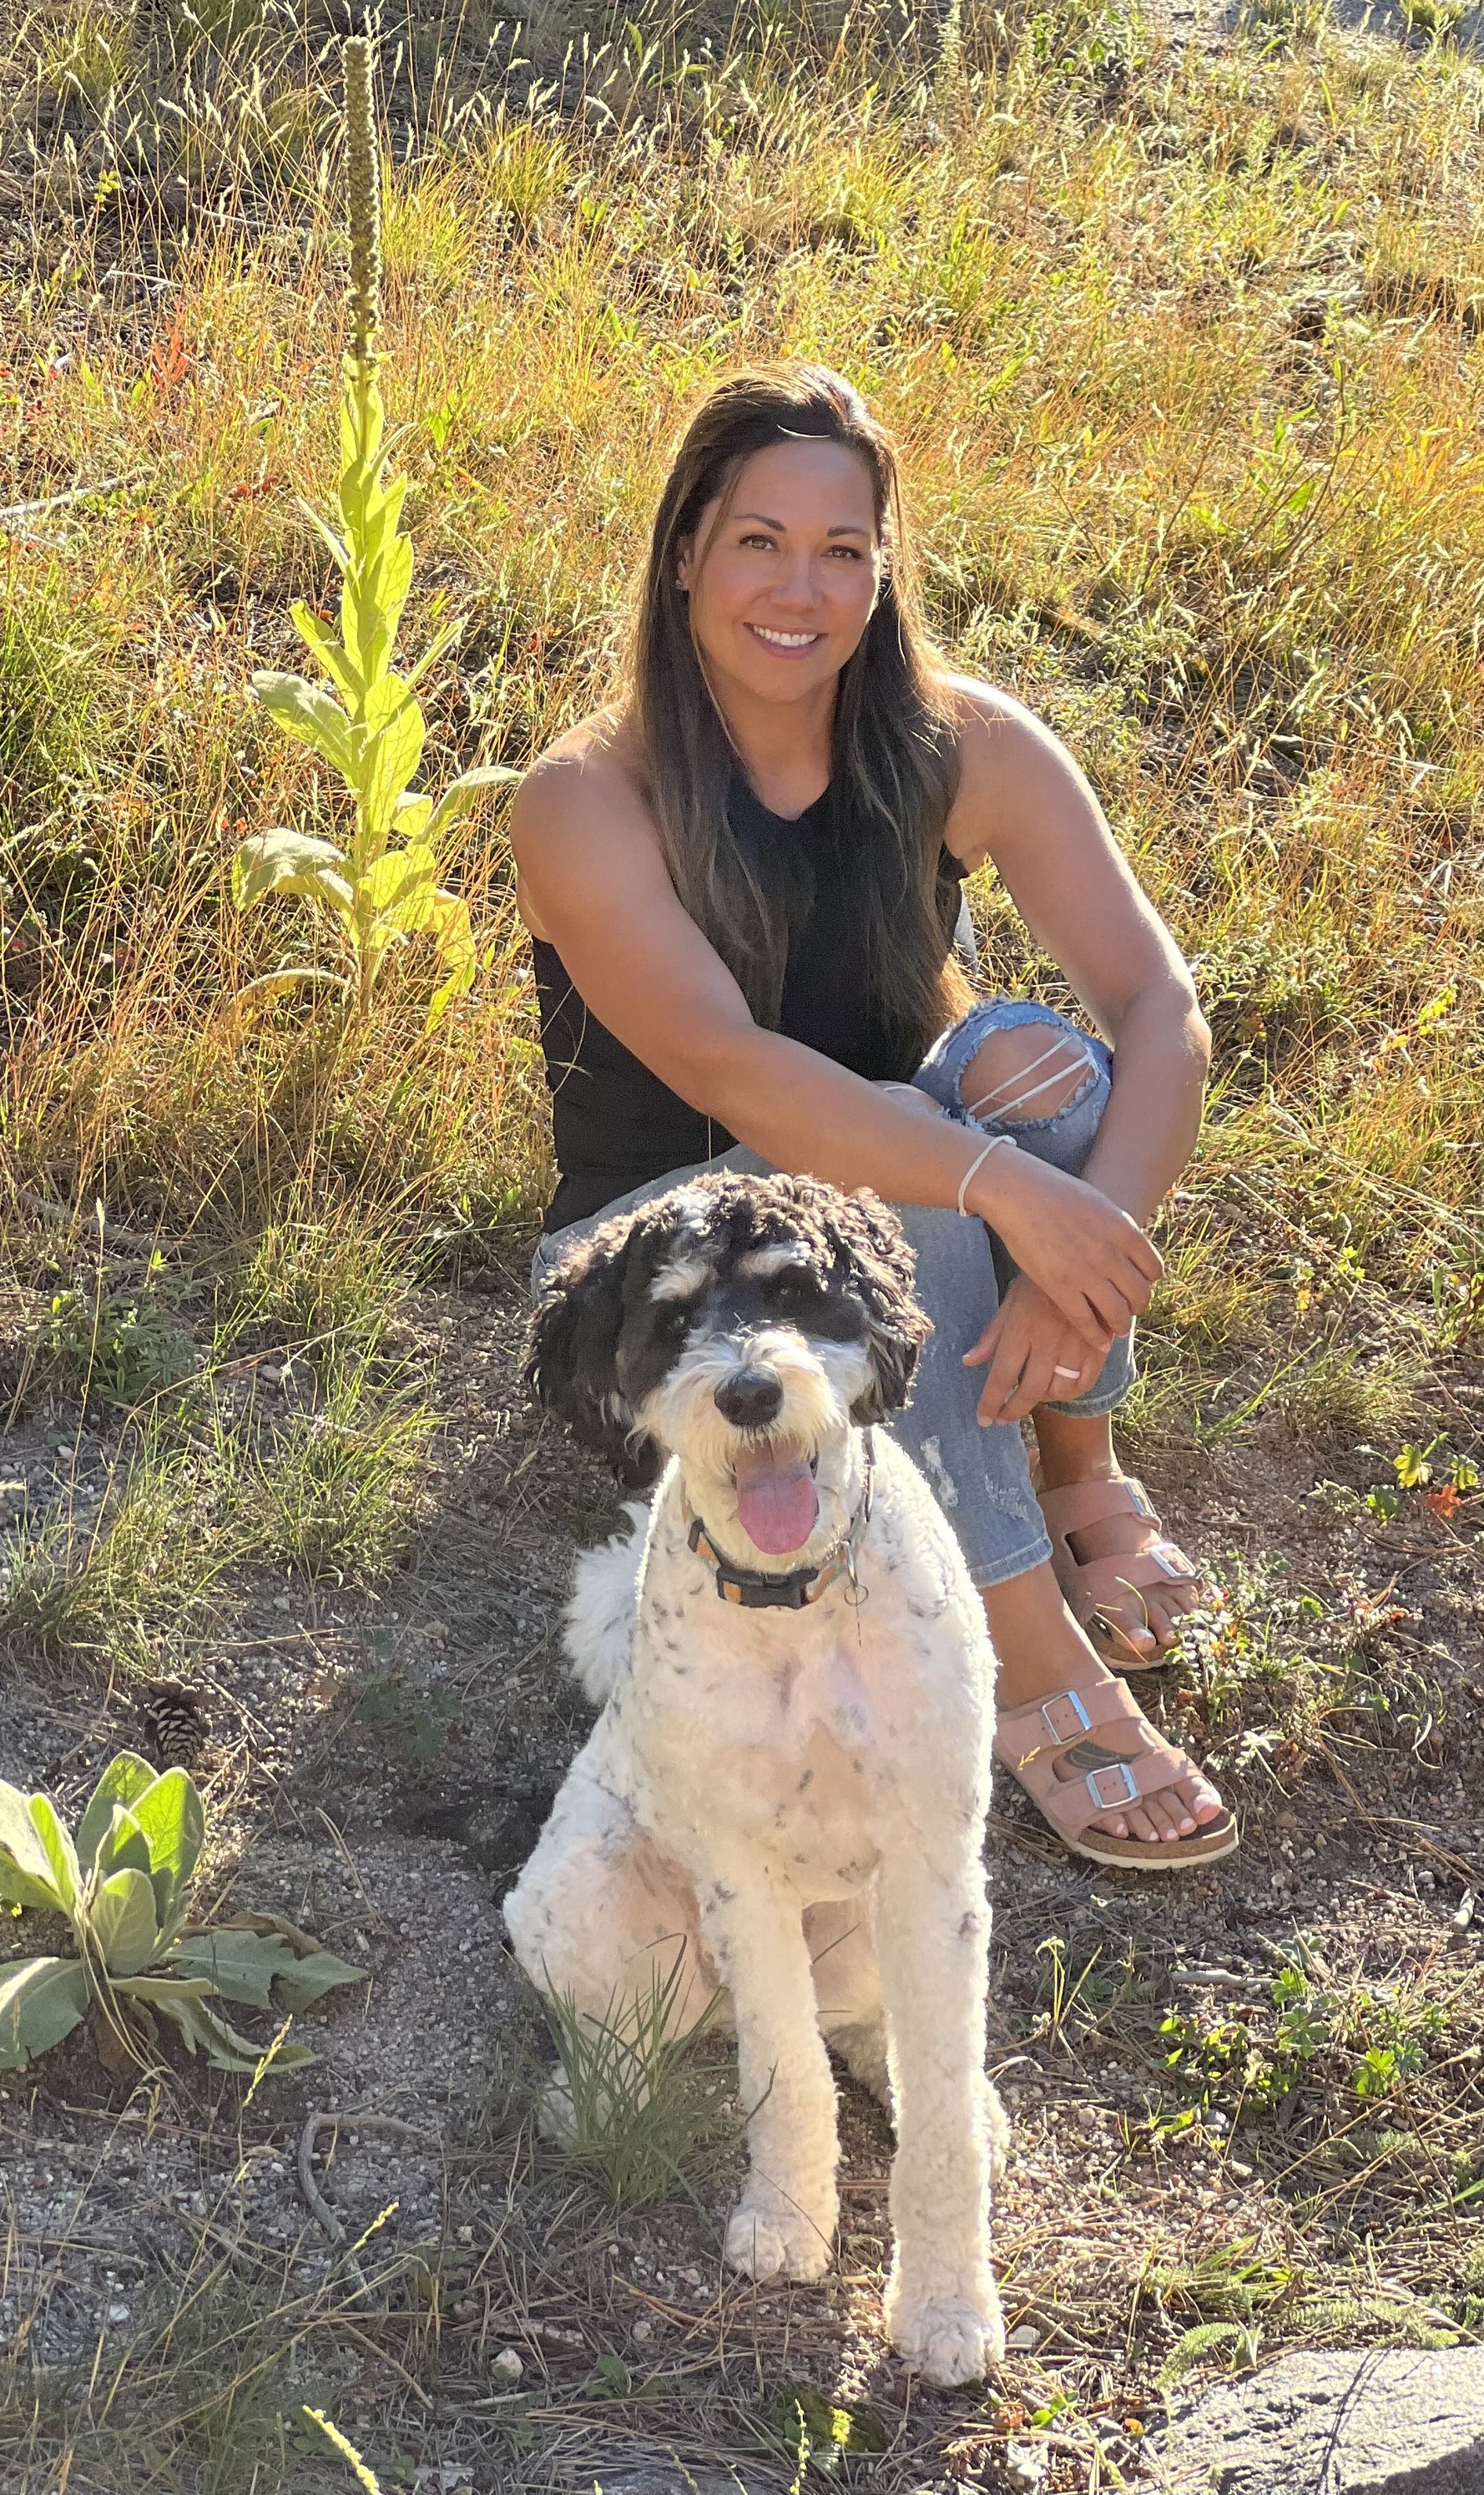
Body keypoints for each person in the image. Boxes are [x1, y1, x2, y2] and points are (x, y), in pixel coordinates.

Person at [511, 362, 1232, 1870]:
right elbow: (739, 1077)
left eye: (844, 548)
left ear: (885, 567)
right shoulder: (591, 795)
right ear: (686, 552)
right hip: (663, 1270)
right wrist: (999, 1196)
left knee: (1037, 1059)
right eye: (759, 540)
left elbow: (1163, 1011)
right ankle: (1036, 1669)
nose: (802, 586)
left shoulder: (958, 741)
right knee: (899, 1193)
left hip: (897, 1199)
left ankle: (1078, 1463)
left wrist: (1074, 1252)